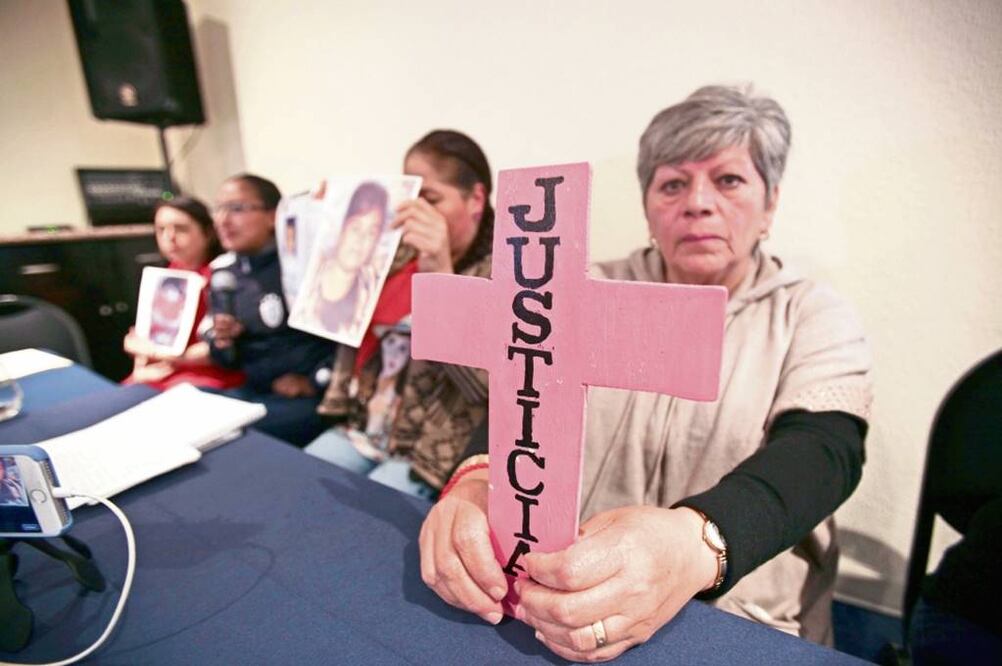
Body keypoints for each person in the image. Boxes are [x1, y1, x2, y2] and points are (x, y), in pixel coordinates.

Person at [418, 85, 873, 661]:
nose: (698, 203)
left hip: (738, 616)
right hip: (563, 597)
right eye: (673, 184)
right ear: (648, 206)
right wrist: (477, 481)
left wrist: (692, 543)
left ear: (771, 203)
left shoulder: (809, 315)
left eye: (729, 180)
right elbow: (520, 392)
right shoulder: (580, 288)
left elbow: (824, 453)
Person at [305, 130, 494, 498]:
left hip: (428, 448)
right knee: (300, 484)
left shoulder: (508, 270)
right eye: (411, 196)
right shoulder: (394, 251)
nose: (415, 212)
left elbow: (485, 385)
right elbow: (333, 314)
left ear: (476, 199)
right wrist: (324, 229)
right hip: (364, 424)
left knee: (371, 510)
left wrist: (440, 275)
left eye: (431, 199)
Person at [208, 173, 335, 447]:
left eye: (236, 208)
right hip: (253, 393)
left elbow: (346, 335)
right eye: (218, 209)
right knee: (193, 405)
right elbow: (226, 361)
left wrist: (313, 381)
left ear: (272, 216)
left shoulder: (306, 266)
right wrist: (223, 341)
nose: (222, 220)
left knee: (235, 435)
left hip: (305, 398)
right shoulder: (224, 275)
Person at [122, 196, 245, 391]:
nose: (169, 237)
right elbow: (149, 334)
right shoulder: (164, 275)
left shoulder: (224, 278)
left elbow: (226, 348)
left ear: (208, 233)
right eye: (161, 229)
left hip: (203, 376)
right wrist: (139, 365)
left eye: (180, 229)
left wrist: (160, 355)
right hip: (159, 372)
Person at [306, 181, 390, 339]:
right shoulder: (309, 276)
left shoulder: (373, 288)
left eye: (371, 233)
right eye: (355, 228)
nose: (361, 239)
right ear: (341, 227)